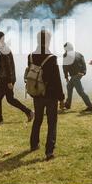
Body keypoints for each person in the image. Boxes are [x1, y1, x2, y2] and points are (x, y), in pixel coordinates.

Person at [28, 30, 64, 161]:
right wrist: (61, 98)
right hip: (50, 95)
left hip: (37, 94)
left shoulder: (31, 56)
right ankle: (49, 151)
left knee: (37, 120)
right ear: (48, 40)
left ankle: (33, 144)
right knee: (52, 122)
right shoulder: (52, 58)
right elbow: (57, 79)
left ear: (38, 40)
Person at [0, 31, 33, 124]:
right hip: (6, 79)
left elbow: (8, 67)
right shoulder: (4, 49)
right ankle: (29, 112)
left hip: (6, 80)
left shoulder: (4, 49)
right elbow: (4, 67)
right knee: (10, 99)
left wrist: (9, 81)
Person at [62, 42, 92, 112]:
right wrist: (83, 72)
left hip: (75, 75)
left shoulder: (66, 55)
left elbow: (65, 67)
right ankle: (68, 104)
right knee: (69, 86)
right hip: (79, 74)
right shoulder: (79, 54)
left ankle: (90, 106)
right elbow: (84, 64)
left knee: (80, 91)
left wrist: (66, 77)